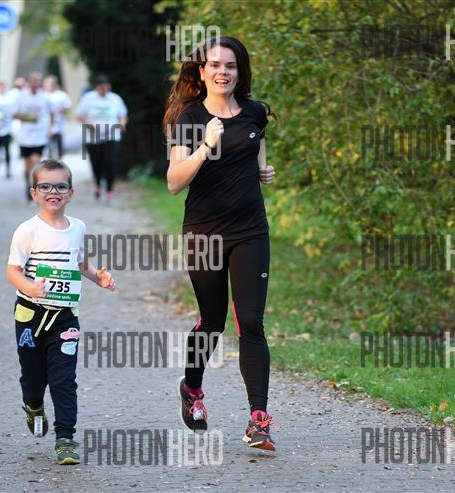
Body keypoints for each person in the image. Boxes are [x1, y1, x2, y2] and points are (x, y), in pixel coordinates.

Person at [163, 36, 277, 450]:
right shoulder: (190, 118)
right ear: (202, 71)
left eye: (230, 65)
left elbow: (256, 140)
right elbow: (174, 182)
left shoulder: (254, 111)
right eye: (214, 65)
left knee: (251, 322)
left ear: (239, 71)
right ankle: (192, 388)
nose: (222, 72)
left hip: (250, 230)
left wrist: (262, 168)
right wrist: (206, 146)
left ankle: (258, 419)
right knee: (212, 320)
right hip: (205, 232)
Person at [6, 159, 115, 464]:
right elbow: (12, 271)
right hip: (30, 315)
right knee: (33, 377)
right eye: (45, 186)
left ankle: (65, 437)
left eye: (60, 186)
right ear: (34, 193)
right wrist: (30, 288)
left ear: (71, 192)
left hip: (65, 316)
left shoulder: (78, 228)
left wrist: (98, 277)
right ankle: (33, 405)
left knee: (64, 378)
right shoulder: (27, 230)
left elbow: (81, 265)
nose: (53, 191)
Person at [75, 75, 127, 203]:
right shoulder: (88, 98)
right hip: (93, 137)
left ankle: (110, 191)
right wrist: (88, 124)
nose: (104, 89)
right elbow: (79, 116)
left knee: (110, 162)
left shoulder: (115, 98)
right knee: (97, 163)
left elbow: (123, 115)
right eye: (101, 87)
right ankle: (98, 184)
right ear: (96, 87)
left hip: (111, 136)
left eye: (106, 87)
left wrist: (121, 125)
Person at [13, 72, 53, 202]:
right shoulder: (21, 97)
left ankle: (34, 188)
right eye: (33, 80)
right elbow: (14, 114)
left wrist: (50, 128)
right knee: (27, 166)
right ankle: (27, 184)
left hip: (39, 136)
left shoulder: (44, 97)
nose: (36, 83)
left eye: (38, 80)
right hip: (25, 136)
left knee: (36, 163)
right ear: (29, 81)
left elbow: (52, 113)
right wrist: (29, 117)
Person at [43, 75, 71, 159]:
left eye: (51, 84)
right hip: (46, 124)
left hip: (59, 124)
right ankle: (50, 160)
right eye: (47, 84)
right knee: (49, 146)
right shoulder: (43, 95)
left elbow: (68, 107)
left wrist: (60, 109)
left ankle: (59, 160)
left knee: (59, 145)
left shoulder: (62, 95)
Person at [0, 81, 13, 178]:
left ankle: (8, 169)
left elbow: (13, 111)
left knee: (7, 149)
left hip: (6, 128)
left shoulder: (9, 97)